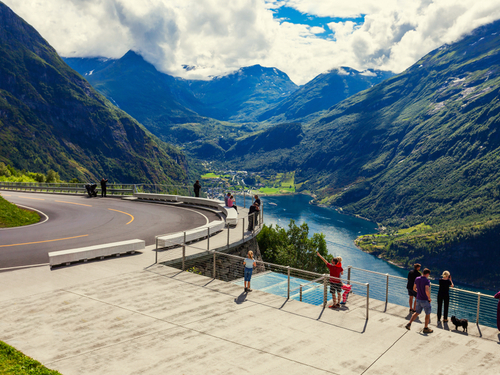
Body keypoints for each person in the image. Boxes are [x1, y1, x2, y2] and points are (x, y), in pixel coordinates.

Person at [406, 268, 433, 333]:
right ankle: (425, 328)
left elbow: (414, 288)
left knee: (416, 312)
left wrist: (419, 291)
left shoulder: (417, 278)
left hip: (418, 299)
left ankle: (409, 324)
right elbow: (427, 290)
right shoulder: (427, 281)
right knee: (427, 314)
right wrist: (429, 298)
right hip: (425, 300)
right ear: (427, 274)